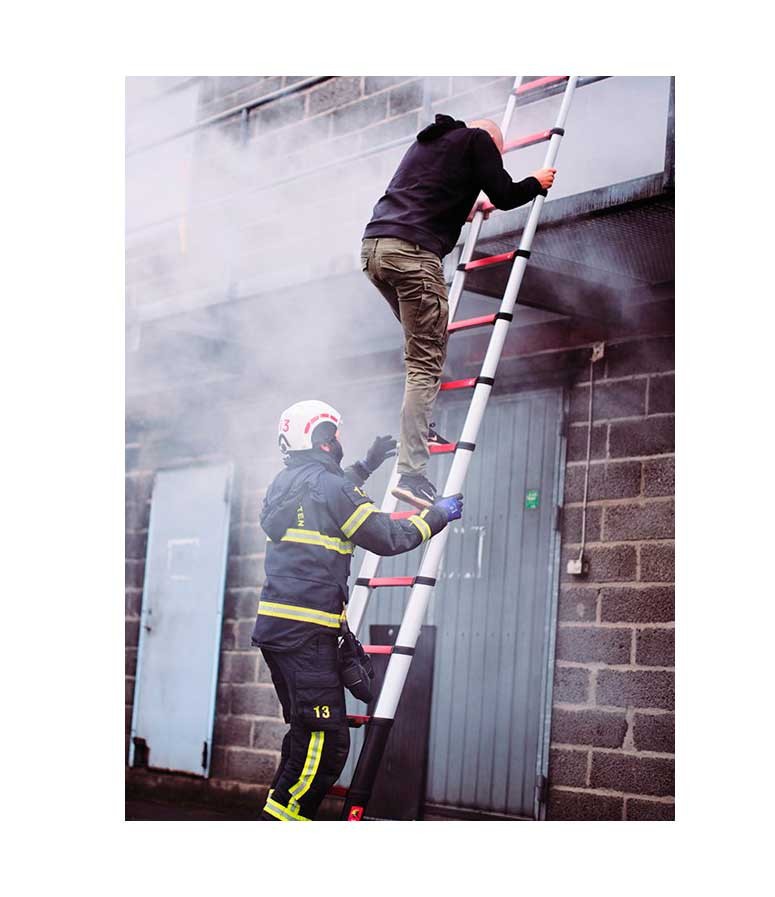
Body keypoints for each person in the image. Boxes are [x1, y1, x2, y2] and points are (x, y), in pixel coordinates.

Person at [252, 399, 464, 821]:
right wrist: (437, 517)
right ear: (323, 438)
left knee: (305, 740)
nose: (339, 441)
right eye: (335, 434)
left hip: (281, 634)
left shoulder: (284, 484)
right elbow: (386, 536)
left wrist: (366, 466)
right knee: (326, 747)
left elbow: (322, 493)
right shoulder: (333, 490)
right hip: (307, 638)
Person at [361, 115, 557, 509]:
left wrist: (466, 210)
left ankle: (423, 428)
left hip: (375, 250)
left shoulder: (429, 143)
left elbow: (429, 193)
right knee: (424, 361)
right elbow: (504, 193)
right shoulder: (479, 141)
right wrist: (537, 182)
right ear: (494, 143)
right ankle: (412, 475)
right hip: (414, 255)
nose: (493, 160)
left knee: (424, 342)